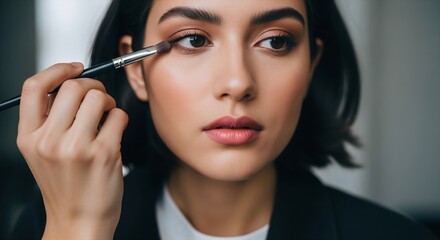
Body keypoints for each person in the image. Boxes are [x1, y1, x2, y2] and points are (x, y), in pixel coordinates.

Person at [10, 0, 436, 239]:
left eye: (276, 41)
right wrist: (78, 231)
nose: (237, 82)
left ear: (311, 65)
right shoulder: (46, 225)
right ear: (136, 68)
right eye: (193, 39)